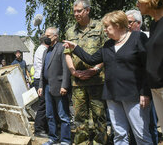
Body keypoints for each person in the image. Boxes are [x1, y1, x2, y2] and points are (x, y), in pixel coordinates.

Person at [64, 10, 153, 145]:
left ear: (118, 25)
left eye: (107, 27)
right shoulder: (108, 45)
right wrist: (75, 47)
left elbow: (148, 66)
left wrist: (145, 93)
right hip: (112, 96)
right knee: (119, 135)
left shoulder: (138, 38)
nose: (104, 30)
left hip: (133, 96)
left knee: (141, 135)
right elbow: (91, 59)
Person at [63, 0, 107, 144]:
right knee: (79, 117)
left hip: (97, 80)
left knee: (99, 116)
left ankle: (99, 143)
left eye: (79, 11)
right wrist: (73, 72)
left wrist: (95, 69)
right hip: (78, 82)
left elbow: (106, 52)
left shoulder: (100, 27)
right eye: (74, 11)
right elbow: (67, 54)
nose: (76, 14)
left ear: (87, 10)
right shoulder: (70, 31)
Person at [125, 9, 159, 145]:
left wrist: (146, 91)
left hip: (147, 88)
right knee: (134, 126)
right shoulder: (123, 40)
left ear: (138, 23)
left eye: (129, 22)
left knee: (149, 124)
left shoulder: (146, 36)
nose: (126, 25)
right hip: (131, 91)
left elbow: (148, 64)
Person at [135, 0, 163, 133]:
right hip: (155, 88)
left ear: (149, 0)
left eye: (139, 0)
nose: (137, 4)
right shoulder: (154, 25)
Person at [38, 27, 71, 145]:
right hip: (47, 87)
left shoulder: (62, 48)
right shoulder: (45, 51)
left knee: (63, 115)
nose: (46, 38)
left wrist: (64, 86)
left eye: (48, 36)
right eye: (45, 36)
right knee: (49, 114)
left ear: (55, 36)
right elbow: (43, 70)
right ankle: (53, 137)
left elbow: (66, 69)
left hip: (59, 86)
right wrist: (41, 85)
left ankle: (66, 140)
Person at [33, 35, 50, 138]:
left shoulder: (39, 48)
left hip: (38, 79)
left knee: (44, 104)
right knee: (43, 105)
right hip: (40, 80)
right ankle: (39, 129)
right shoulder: (43, 49)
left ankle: (43, 127)